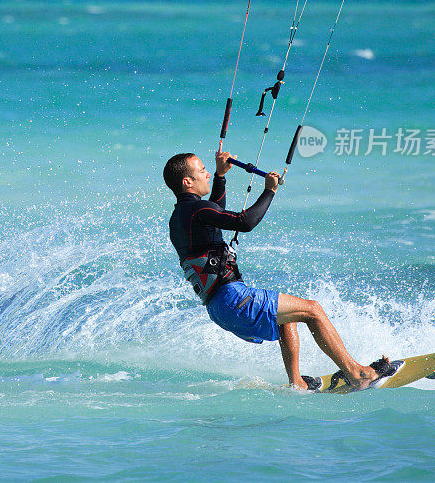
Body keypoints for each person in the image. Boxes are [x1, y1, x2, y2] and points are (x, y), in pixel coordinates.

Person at [164, 150, 387, 391]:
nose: (206, 173)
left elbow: (214, 210)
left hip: (219, 307)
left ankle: (297, 382)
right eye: (202, 171)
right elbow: (244, 222)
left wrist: (220, 176)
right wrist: (270, 190)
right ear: (188, 181)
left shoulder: (182, 216)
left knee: (287, 317)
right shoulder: (196, 211)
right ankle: (358, 373)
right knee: (313, 310)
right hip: (232, 298)